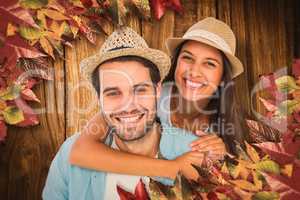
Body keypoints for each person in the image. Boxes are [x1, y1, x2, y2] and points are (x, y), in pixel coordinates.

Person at [69, 17, 246, 177]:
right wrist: (172, 168)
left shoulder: (225, 126)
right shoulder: (147, 97)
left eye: (209, 63)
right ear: (176, 62)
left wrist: (224, 157)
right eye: (188, 58)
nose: (194, 71)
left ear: (223, 76)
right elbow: (81, 152)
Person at [43, 27, 205, 200]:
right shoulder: (69, 155)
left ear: (157, 90)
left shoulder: (193, 151)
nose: (128, 106)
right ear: (99, 99)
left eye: (140, 90)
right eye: (113, 93)